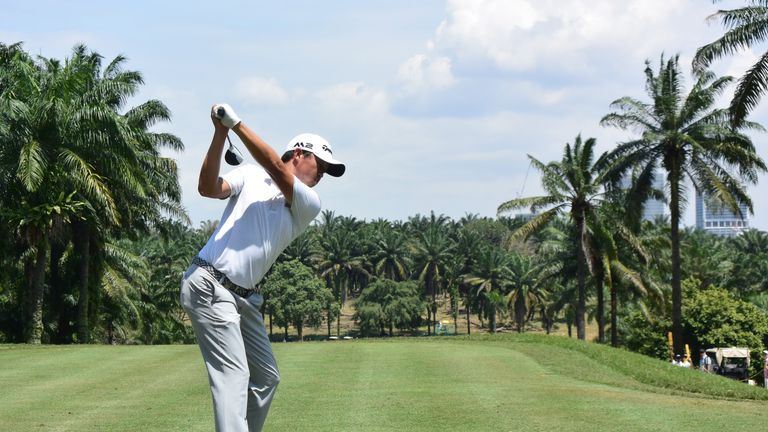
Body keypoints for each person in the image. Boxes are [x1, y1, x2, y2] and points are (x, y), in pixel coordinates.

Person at [180, 103, 345, 432]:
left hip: (243, 298)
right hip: (209, 284)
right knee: (234, 375)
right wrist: (220, 133)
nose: (322, 174)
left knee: (266, 377)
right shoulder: (250, 175)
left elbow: (275, 166)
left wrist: (236, 124)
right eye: (320, 164)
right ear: (298, 154)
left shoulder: (308, 203)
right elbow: (208, 188)